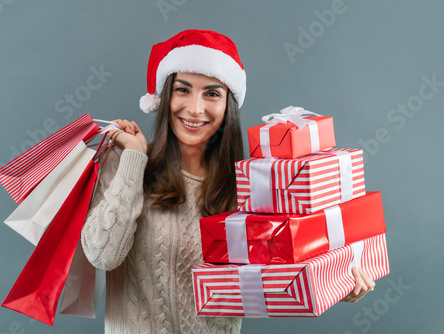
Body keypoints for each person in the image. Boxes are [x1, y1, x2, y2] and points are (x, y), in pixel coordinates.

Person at [81, 29, 374, 334]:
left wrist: (337, 280)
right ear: (165, 97)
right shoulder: (126, 162)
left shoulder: (251, 187)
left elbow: (278, 275)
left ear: (227, 106)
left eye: (211, 93)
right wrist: (134, 159)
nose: (195, 108)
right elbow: (102, 255)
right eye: (183, 89)